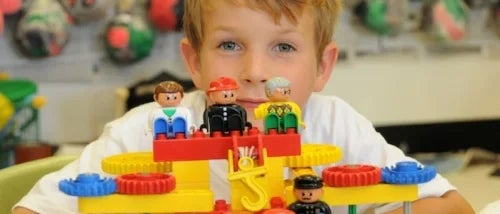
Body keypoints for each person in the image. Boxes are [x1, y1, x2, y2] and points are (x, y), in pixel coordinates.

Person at [13, 0, 474, 213]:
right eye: (230, 44)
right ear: (194, 62)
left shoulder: (335, 126)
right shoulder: (150, 128)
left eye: (284, 48)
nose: (255, 70)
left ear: (322, 66)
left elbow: (452, 207)